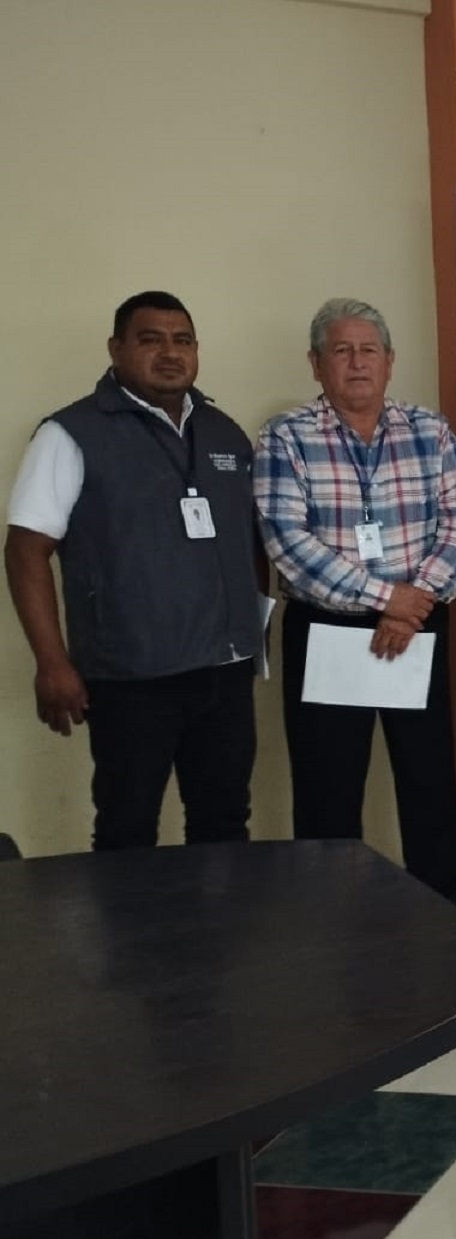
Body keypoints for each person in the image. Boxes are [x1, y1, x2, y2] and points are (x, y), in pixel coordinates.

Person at [4, 291, 260, 851]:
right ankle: (130, 919)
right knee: (128, 828)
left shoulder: (223, 432)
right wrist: (52, 662)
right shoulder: (70, 434)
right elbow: (25, 550)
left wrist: (252, 633)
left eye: (182, 340)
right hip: (132, 678)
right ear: (116, 349)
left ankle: (216, 916)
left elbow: (250, 544)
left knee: (223, 823)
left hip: (225, 672)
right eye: (150, 340)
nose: (170, 353)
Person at [255, 297, 456, 904]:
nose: (357, 363)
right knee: (326, 788)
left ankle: (443, 909)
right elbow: (286, 540)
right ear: (316, 363)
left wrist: (414, 602)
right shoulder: (285, 436)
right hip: (327, 628)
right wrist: (389, 598)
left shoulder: (429, 431)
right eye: (341, 350)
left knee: (429, 779)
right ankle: (335, 918)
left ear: (389, 361)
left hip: (419, 624)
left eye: (368, 350)